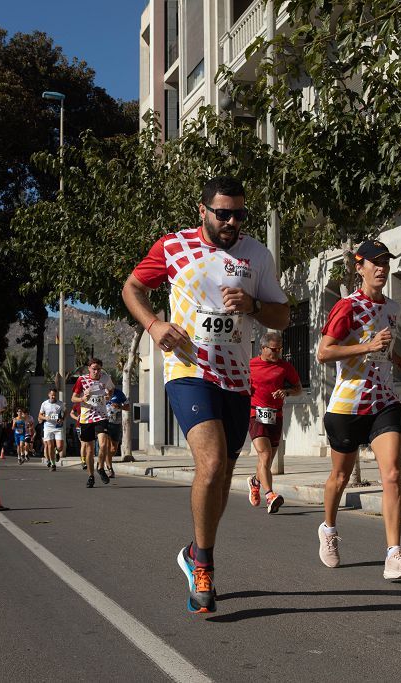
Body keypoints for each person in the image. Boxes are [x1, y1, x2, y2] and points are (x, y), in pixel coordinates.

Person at [122, 176, 290, 613]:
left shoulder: (256, 254)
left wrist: (253, 306)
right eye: (223, 213)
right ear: (203, 211)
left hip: (237, 380)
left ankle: (195, 550)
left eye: (239, 214)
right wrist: (155, 325)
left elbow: (284, 315)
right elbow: (132, 288)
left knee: (219, 481)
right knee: (211, 463)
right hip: (188, 369)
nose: (232, 221)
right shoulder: (173, 247)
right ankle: (205, 568)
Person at [315, 239, 401, 579]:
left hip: (383, 402)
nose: (381, 268)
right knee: (340, 478)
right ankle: (329, 531)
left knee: (392, 474)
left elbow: (383, 351)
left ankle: (394, 554)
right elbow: (323, 352)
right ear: (358, 267)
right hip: (348, 405)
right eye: (374, 262)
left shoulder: (391, 307)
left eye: (385, 262)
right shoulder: (347, 307)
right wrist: (366, 344)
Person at [246, 331, 303, 514]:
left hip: (275, 416)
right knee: (264, 454)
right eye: (273, 349)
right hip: (255, 414)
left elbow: (298, 389)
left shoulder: (285, 367)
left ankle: (255, 482)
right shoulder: (250, 365)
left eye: (279, 349)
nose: (277, 352)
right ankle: (270, 495)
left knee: (268, 459)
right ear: (262, 348)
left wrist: (285, 392)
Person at [72, 358, 115, 488]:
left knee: (103, 444)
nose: (96, 371)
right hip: (86, 418)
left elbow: (111, 389)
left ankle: (100, 467)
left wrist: (109, 395)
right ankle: (91, 476)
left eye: (98, 369)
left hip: (101, 416)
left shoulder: (106, 378)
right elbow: (73, 398)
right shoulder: (82, 380)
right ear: (89, 368)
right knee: (89, 450)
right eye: (93, 369)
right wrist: (82, 398)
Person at [103, 385, 130, 478]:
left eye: (111, 389)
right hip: (104, 423)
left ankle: (106, 458)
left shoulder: (119, 394)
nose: (109, 391)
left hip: (116, 424)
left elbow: (128, 407)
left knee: (113, 449)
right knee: (106, 446)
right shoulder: (101, 393)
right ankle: (110, 469)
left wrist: (119, 406)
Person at [38, 388, 65, 471]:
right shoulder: (44, 404)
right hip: (48, 427)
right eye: (51, 395)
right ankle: (53, 464)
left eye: (54, 395)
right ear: (49, 395)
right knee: (50, 445)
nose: (53, 396)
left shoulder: (60, 404)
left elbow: (64, 413)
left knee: (60, 446)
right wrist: (45, 417)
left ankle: (57, 452)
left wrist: (62, 419)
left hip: (57, 427)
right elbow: (39, 415)